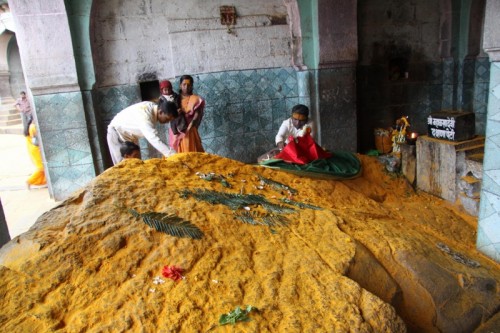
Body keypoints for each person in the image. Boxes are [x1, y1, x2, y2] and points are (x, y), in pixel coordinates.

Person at [107, 98, 178, 165]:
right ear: (160, 112)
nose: (167, 122)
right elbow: (153, 139)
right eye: (167, 119)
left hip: (129, 138)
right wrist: (172, 154)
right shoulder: (145, 116)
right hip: (117, 134)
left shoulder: (152, 107)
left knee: (136, 164)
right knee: (122, 166)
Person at [168, 75, 205, 153]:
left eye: (189, 85)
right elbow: (168, 114)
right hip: (176, 130)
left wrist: (189, 127)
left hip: (189, 130)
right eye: (184, 84)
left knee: (190, 153)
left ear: (191, 86)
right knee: (177, 155)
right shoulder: (174, 98)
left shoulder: (196, 99)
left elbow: (197, 115)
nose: (186, 87)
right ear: (180, 85)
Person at [25, 118, 47, 189]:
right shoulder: (33, 127)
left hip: (33, 148)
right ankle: (30, 181)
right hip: (36, 149)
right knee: (41, 168)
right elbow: (36, 141)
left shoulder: (31, 126)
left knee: (43, 167)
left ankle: (43, 182)